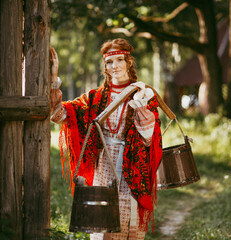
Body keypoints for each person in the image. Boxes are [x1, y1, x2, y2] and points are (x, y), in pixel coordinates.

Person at [50, 38, 163, 240]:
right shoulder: (94, 97)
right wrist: (53, 79)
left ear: (129, 62)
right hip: (103, 167)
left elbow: (149, 140)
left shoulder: (143, 94)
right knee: (102, 227)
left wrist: (142, 110)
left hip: (131, 167)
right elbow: (61, 114)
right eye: (110, 62)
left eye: (119, 60)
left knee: (127, 224)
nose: (115, 66)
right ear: (105, 66)